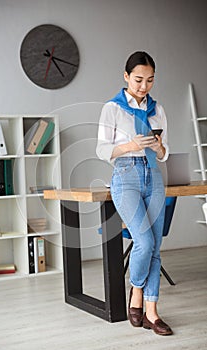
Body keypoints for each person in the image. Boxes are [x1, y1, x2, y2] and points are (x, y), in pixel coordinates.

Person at [96, 51, 173, 336]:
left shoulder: (158, 109)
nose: (144, 86)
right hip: (126, 175)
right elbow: (102, 150)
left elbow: (165, 154)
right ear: (126, 76)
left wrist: (157, 147)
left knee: (154, 244)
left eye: (150, 80)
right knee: (143, 241)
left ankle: (152, 312)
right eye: (139, 79)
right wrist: (129, 146)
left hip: (153, 175)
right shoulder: (112, 108)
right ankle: (137, 292)